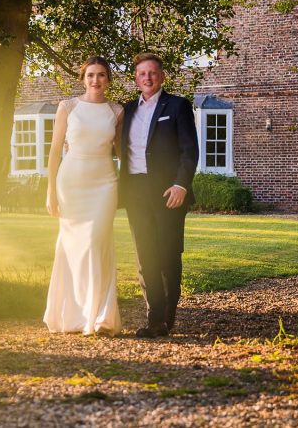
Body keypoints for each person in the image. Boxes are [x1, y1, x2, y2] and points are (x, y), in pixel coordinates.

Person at [120, 52, 199, 338]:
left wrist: (181, 185)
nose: (148, 78)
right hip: (135, 193)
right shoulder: (127, 110)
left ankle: (167, 317)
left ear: (162, 76)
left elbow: (190, 151)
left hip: (168, 193)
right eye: (142, 73)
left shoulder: (177, 106)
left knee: (167, 255)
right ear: (136, 78)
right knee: (145, 257)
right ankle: (154, 319)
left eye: (153, 72)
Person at [43, 56, 123, 335]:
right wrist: (50, 191)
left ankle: (100, 317)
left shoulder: (117, 111)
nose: (96, 80)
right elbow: (54, 152)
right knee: (72, 247)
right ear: (83, 78)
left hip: (104, 182)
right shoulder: (68, 107)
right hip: (71, 181)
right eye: (90, 75)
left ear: (108, 79)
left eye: (101, 75)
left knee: (95, 243)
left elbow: (123, 152)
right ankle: (72, 316)